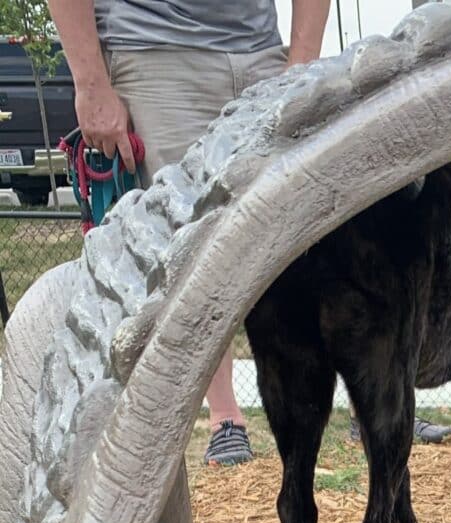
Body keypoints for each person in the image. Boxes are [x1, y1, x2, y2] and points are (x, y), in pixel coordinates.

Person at [48, 0, 331, 466]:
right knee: (186, 255)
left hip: (263, 49)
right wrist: (91, 82)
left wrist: (302, 61)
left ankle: (357, 398)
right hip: (154, 51)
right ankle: (224, 417)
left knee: (306, 243)